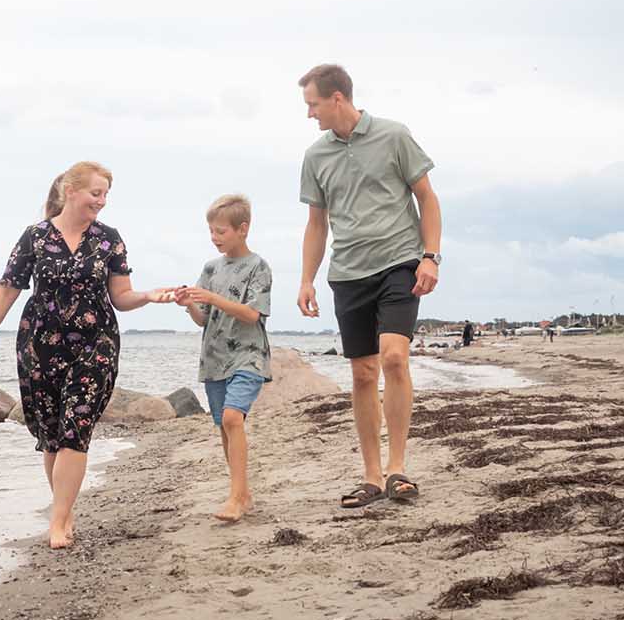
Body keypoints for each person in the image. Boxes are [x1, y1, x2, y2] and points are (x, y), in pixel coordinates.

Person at [0, 161, 176, 549]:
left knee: (76, 427)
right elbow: (7, 290)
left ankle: (57, 522)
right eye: (97, 193)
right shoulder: (35, 237)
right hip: (40, 345)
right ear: (70, 191)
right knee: (52, 435)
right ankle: (65, 507)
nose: (102, 202)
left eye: (106, 194)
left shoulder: (108, 239)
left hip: (96, 345)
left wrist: (148, 296)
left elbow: (121, 297)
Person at [294, 64, 444, 508]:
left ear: (337, 98)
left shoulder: (394, 135)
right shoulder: (315, 156)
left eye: (312, 105)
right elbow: (316, 223)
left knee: (395, 358)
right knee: (362, 374)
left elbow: (427, 197)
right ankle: (372, 475)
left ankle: (399, 469)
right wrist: (306, 279)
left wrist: (430, 256)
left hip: (400, 262)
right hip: (348, 273)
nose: (309, 114)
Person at [173, 194, 273, 522]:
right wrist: (188, 303)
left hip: (248, 356)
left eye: (221, 232)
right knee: (224, 427)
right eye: (211, 232)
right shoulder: (210, 268)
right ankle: (242, 492)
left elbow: (251, 314)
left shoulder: (258, 267)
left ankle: (235, 497)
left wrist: (214, 297)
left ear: (242, 229)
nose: (215, 238)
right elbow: (203, 319)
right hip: (214, 359)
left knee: (233, 419)